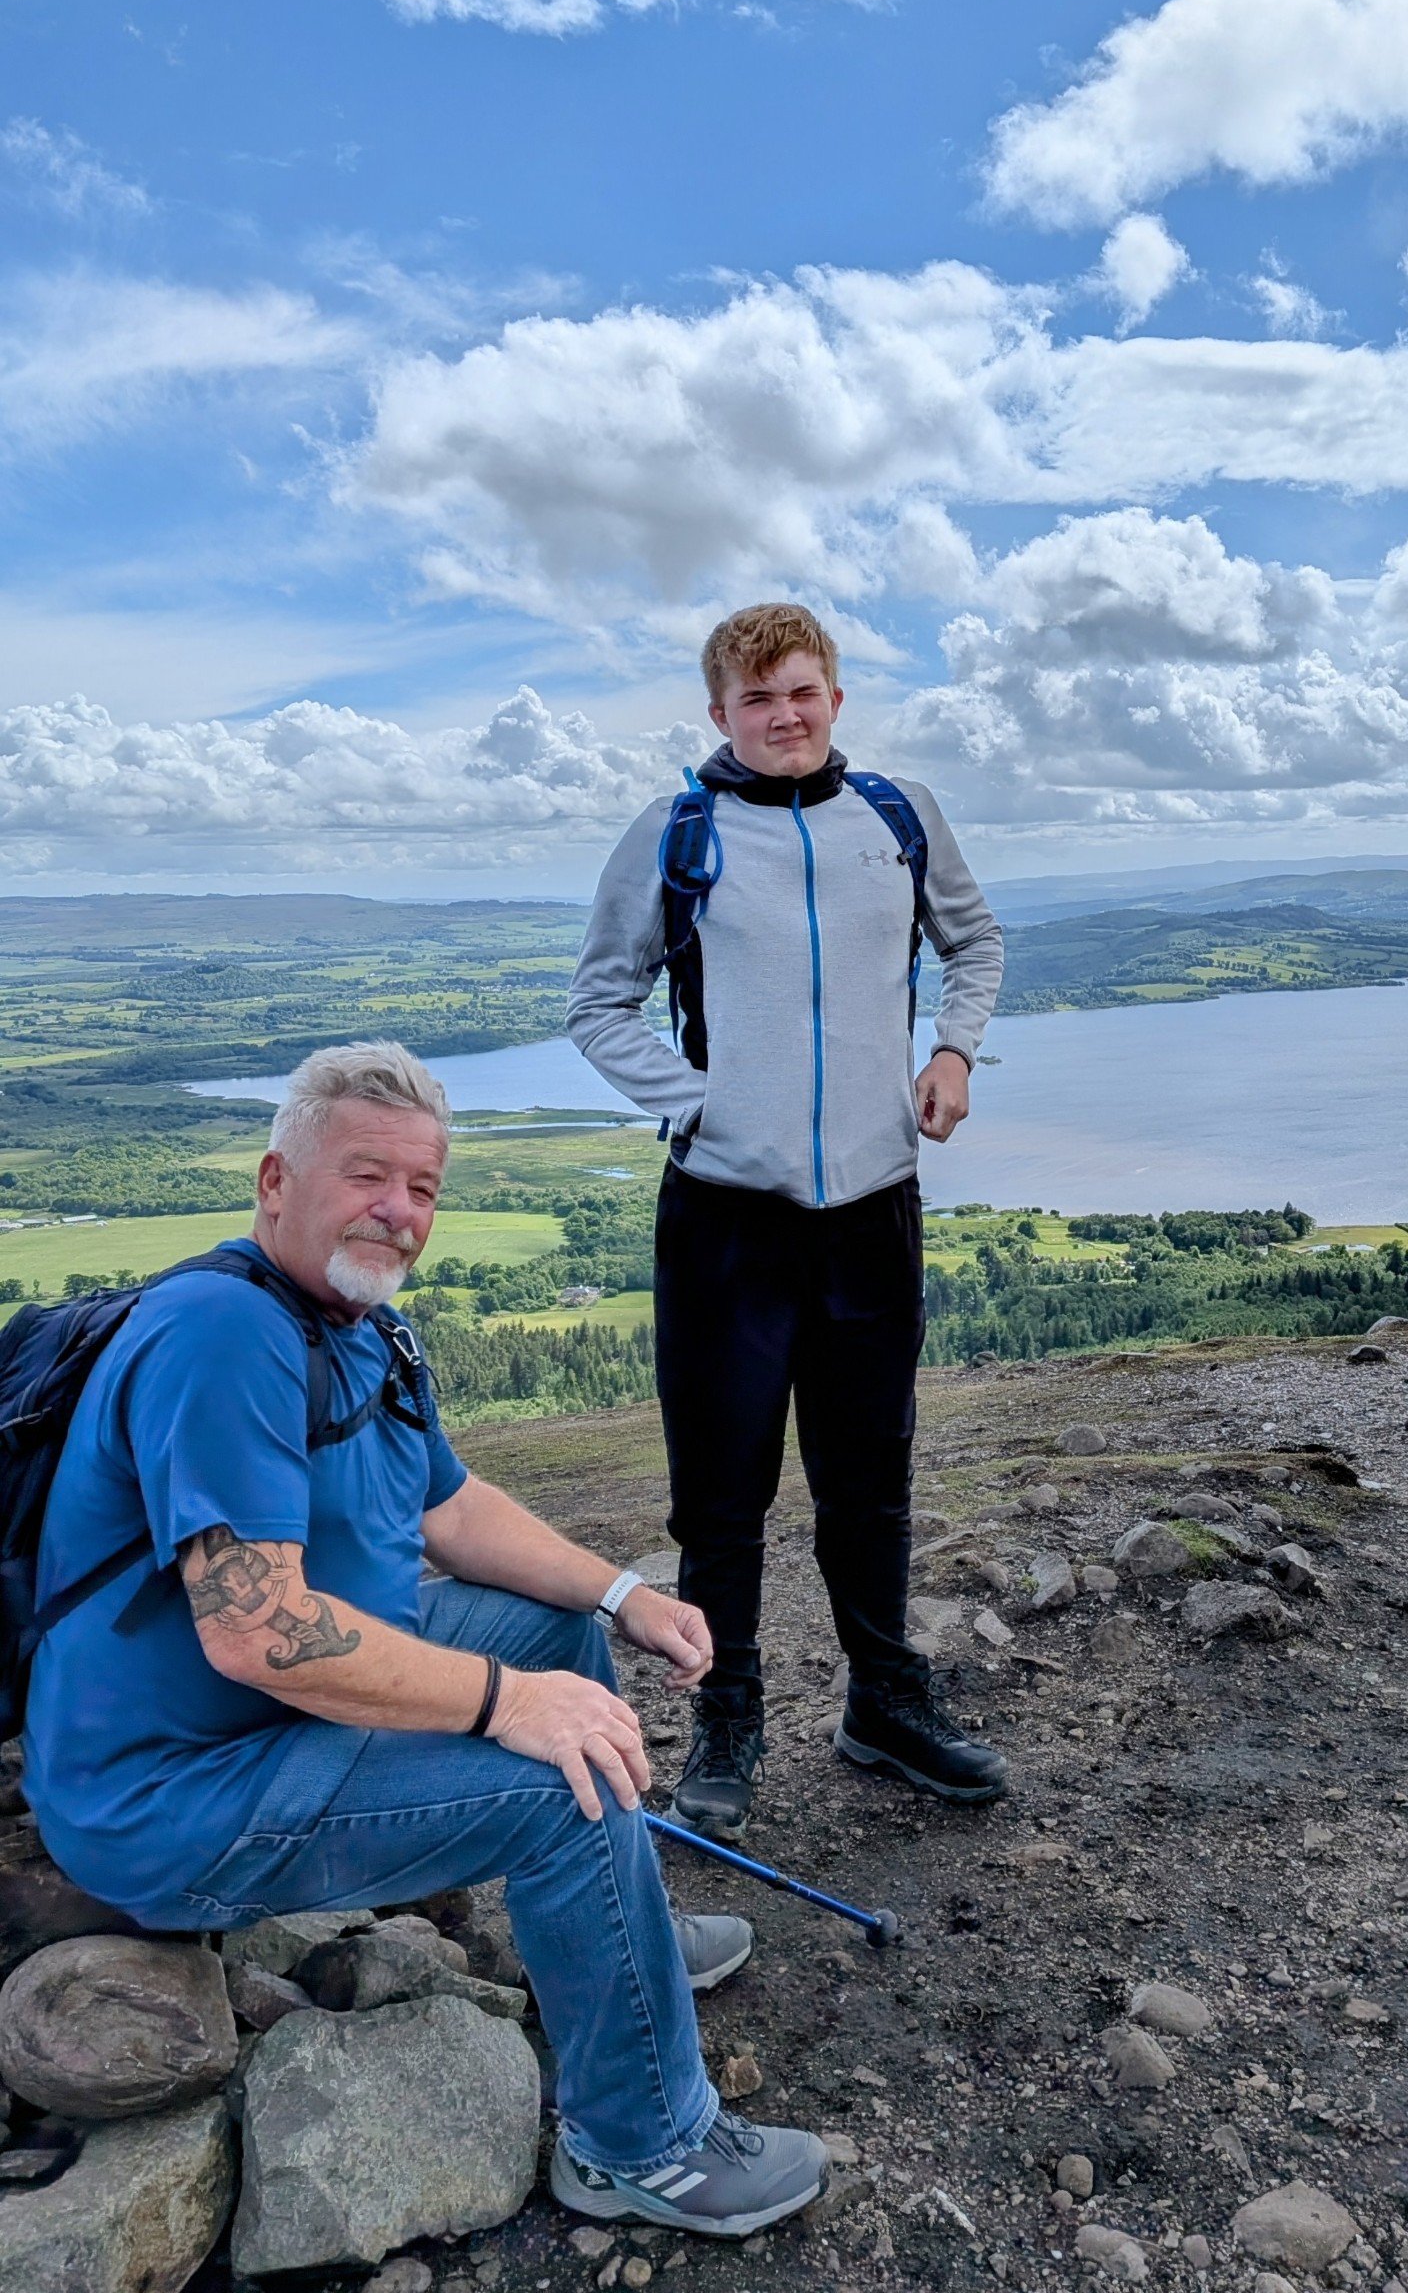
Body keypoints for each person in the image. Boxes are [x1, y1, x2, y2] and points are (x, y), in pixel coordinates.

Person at [22, 1041, 830, 2239]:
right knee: (558, 1779)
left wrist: (619, 1595)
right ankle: (637, 2144)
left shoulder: (353, 1325)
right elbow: (259, 1632)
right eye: (366, 1176)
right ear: (274, 1180)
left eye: (422, 1188)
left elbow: (446, 1507)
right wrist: (506, 1701)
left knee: (556, 1638)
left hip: (275, 1720)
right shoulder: (221, 1333)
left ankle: (615, 1926)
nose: (398, 1212)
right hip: (174, 1789)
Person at [569, 601, 1007, 1840]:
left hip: (873, 1204)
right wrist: (702, 1103)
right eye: (759, 699)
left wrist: (956, 1052)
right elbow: (601, 1002)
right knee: (721, 1492)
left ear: (836, 697)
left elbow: (973, 943)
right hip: (725, 1218)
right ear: (721, 713)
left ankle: (883, 1701)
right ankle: (728, 1713)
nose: (786, 715)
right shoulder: (676, 832)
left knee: (868, 1475)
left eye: (804, 692)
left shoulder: (900, 817)